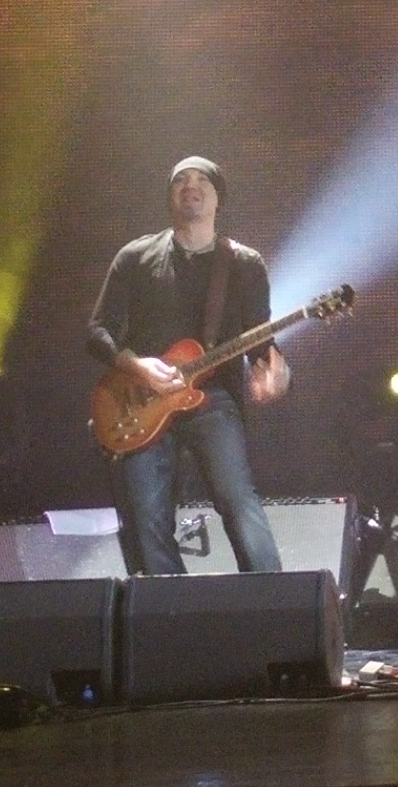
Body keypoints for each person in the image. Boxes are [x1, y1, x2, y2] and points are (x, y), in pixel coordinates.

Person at [87, 155, 291, 577]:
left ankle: (272, 596)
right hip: (141, 399)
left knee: (237, 498)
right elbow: (97, 331)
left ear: (218, 198)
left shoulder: (243, 263)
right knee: (147, 515)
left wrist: (277, 374)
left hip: (213, 398)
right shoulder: (136, 256)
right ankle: (168, 604)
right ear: (170, 195)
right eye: (181, 179)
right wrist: (138, 366)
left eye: (202, 180)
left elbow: (260, 339)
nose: (191, 185)